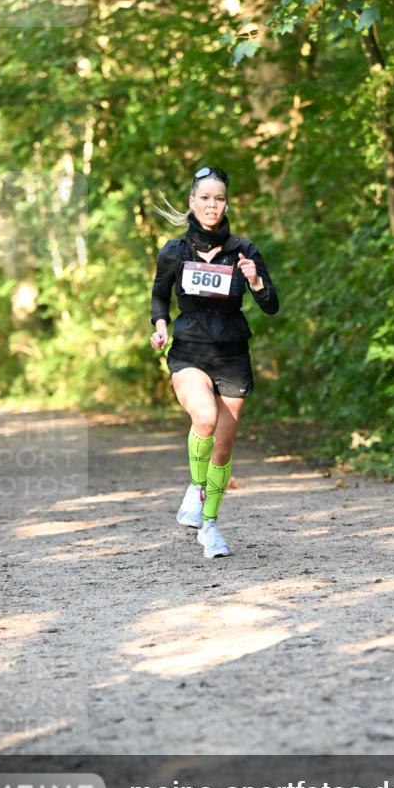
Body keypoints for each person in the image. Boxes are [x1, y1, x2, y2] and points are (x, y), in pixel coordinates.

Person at [151, 167, 279, 558]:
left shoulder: (244, 250)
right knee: (203, 418)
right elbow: (159, 298)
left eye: (219, 199)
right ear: (192, 202)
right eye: (204, 198)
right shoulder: (174, 251)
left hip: (231, 355)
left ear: (226, 204)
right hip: (189, 350)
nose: (212, 205)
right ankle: (194, 485)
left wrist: (256, 281)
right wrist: (160, 326)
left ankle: (209, 527)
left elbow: (271, 306)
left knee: (222, 450)